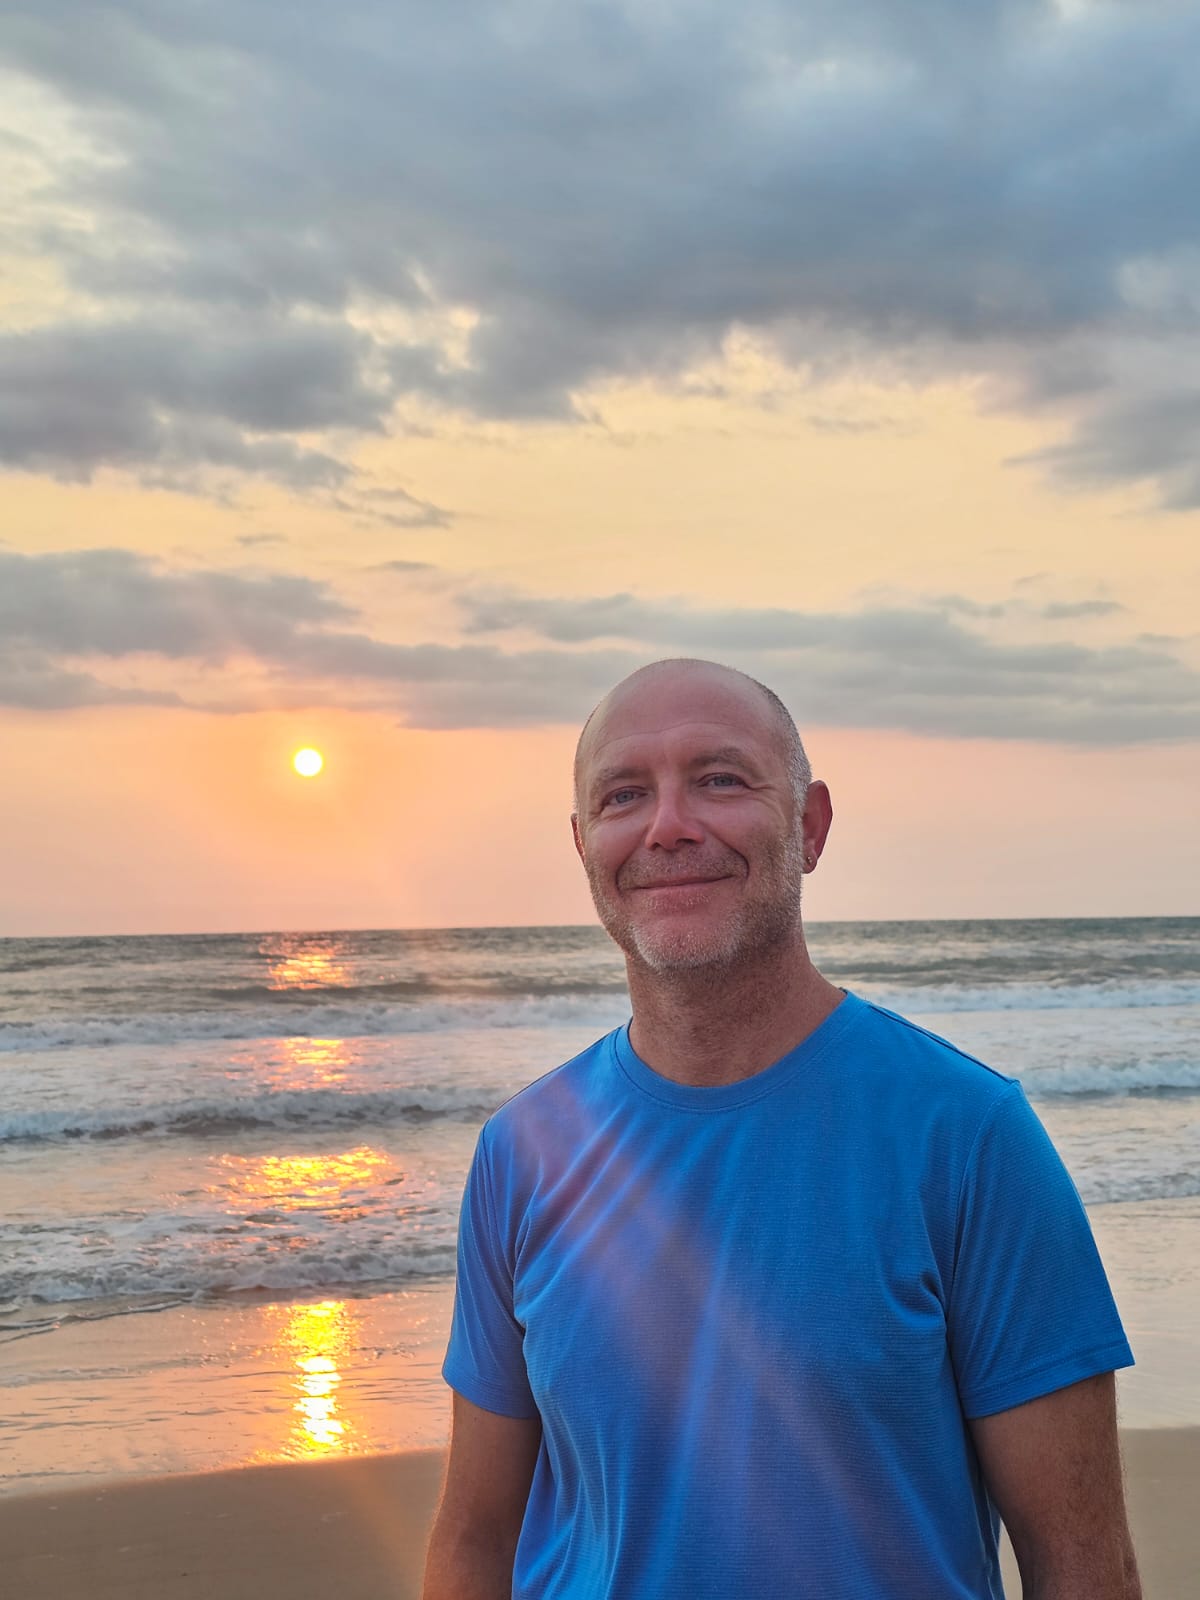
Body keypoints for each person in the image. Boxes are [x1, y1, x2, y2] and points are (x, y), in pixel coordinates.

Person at [422, 658, 1140, 1599]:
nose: (669, 826)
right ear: (583, 844)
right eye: (623, 795)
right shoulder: (522, 1151)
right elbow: (475, 1540)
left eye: (720, 779)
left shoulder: (968, 1137)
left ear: (810, 825)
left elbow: (1081, 1560)